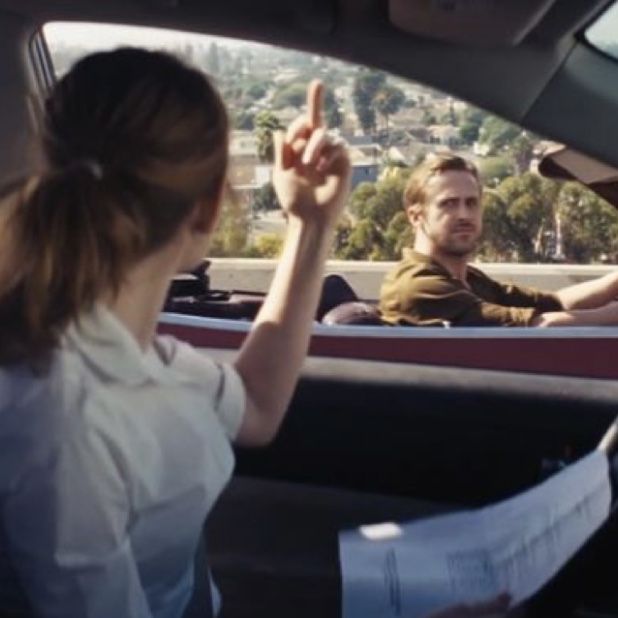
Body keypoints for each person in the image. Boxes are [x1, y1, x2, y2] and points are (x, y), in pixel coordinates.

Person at [0, 48, 351, 618]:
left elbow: (257, 407)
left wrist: (311, 224)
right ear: (209, 208)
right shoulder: (64, 421)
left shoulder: (133, 362)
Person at [379, 153, 618, 327]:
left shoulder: (467, 279)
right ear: (415, 216)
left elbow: (557, 302)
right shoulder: (417, 285)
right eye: (448, 204)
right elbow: (539, 326)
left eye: (471, 203)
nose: (464, 214)